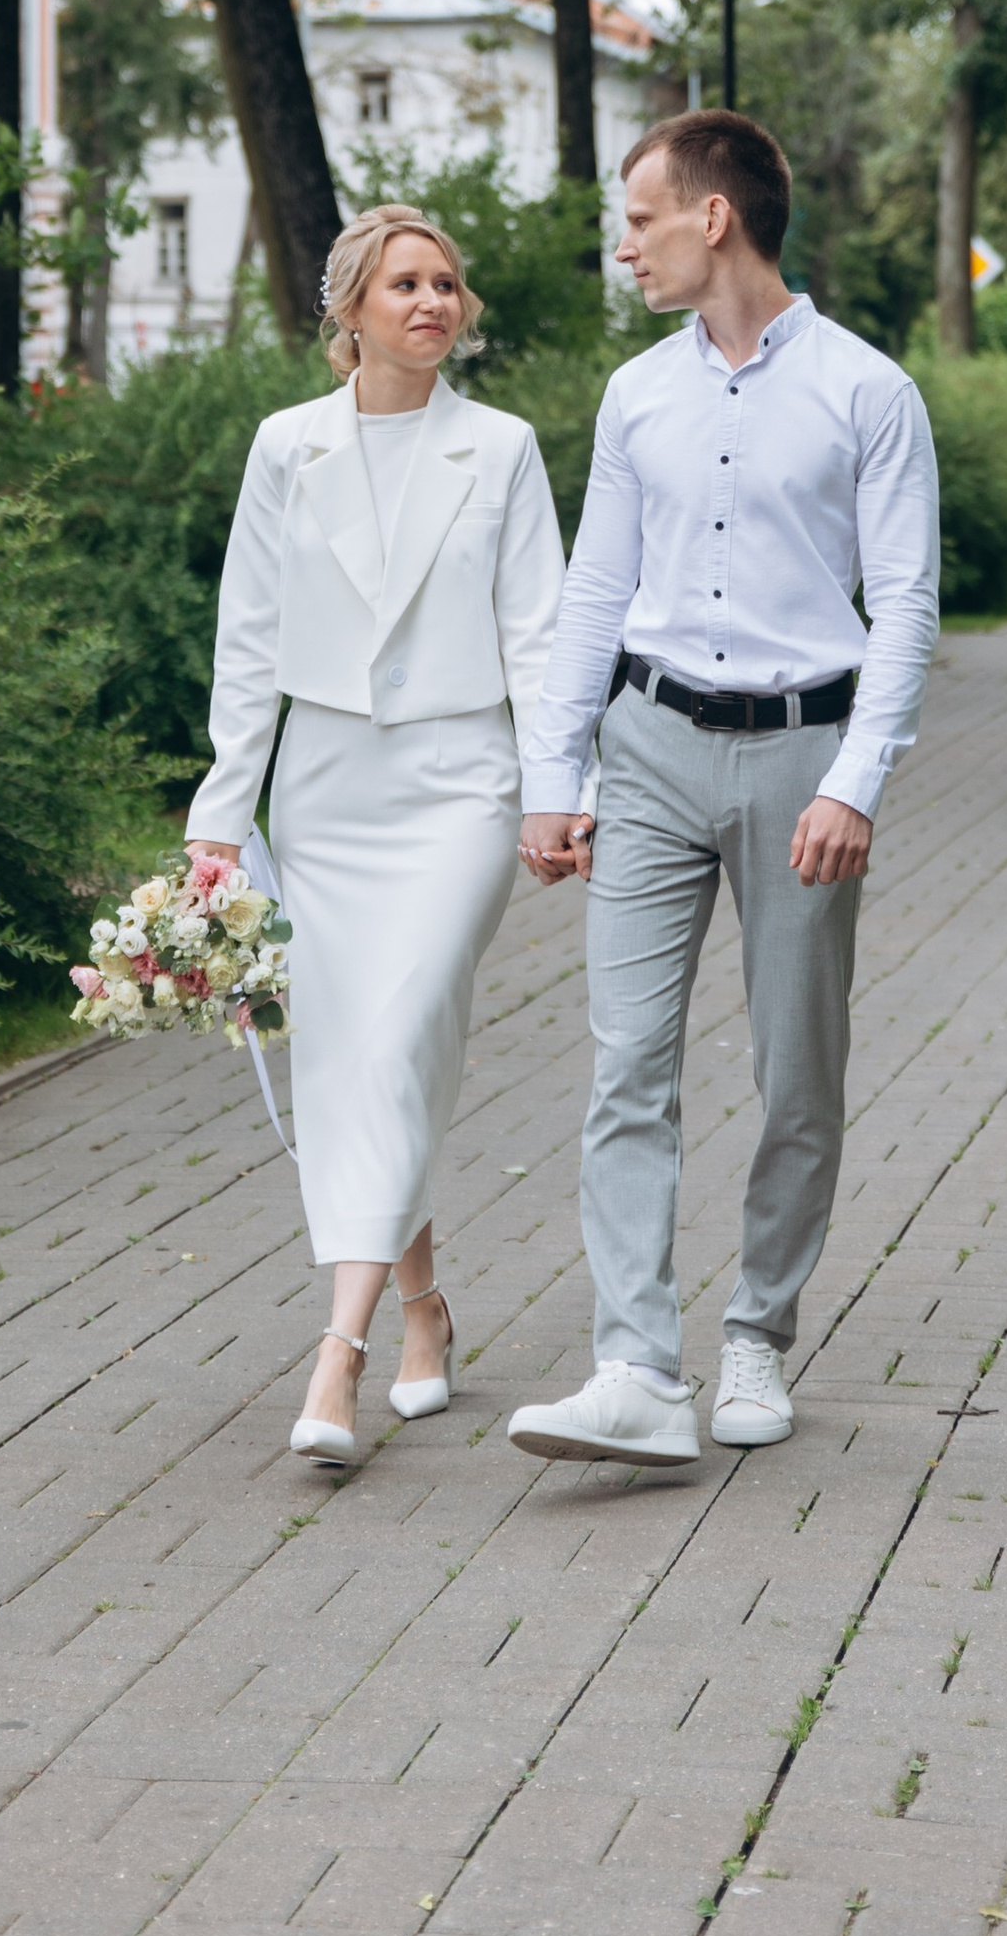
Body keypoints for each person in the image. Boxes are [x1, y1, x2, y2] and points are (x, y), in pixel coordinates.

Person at [510, 110, 940, 1468]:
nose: (622, 245)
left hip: (807, 760)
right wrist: (554, 768)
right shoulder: (638, 393)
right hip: (647, 752)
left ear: (713, 217)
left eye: (638, 217)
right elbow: (594, 589)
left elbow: (910, 606)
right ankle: (636, 1364)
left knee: (796, 1069)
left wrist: (856, 781)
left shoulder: (868, 391)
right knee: (627, 1060)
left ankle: (757, 1327)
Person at [186, 204, 567, 1467]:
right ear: (349, 312)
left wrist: (562, 790)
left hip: (463, 781)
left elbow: (541, 632)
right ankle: (419, 1309)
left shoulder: (501, 449)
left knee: (401, 1034)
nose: (433, 303)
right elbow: (246, 639)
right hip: (328, 790)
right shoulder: (284, 449)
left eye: (448, 284)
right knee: (353, 1058)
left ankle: (332, 1358)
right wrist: (219, 820)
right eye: (405, 284)